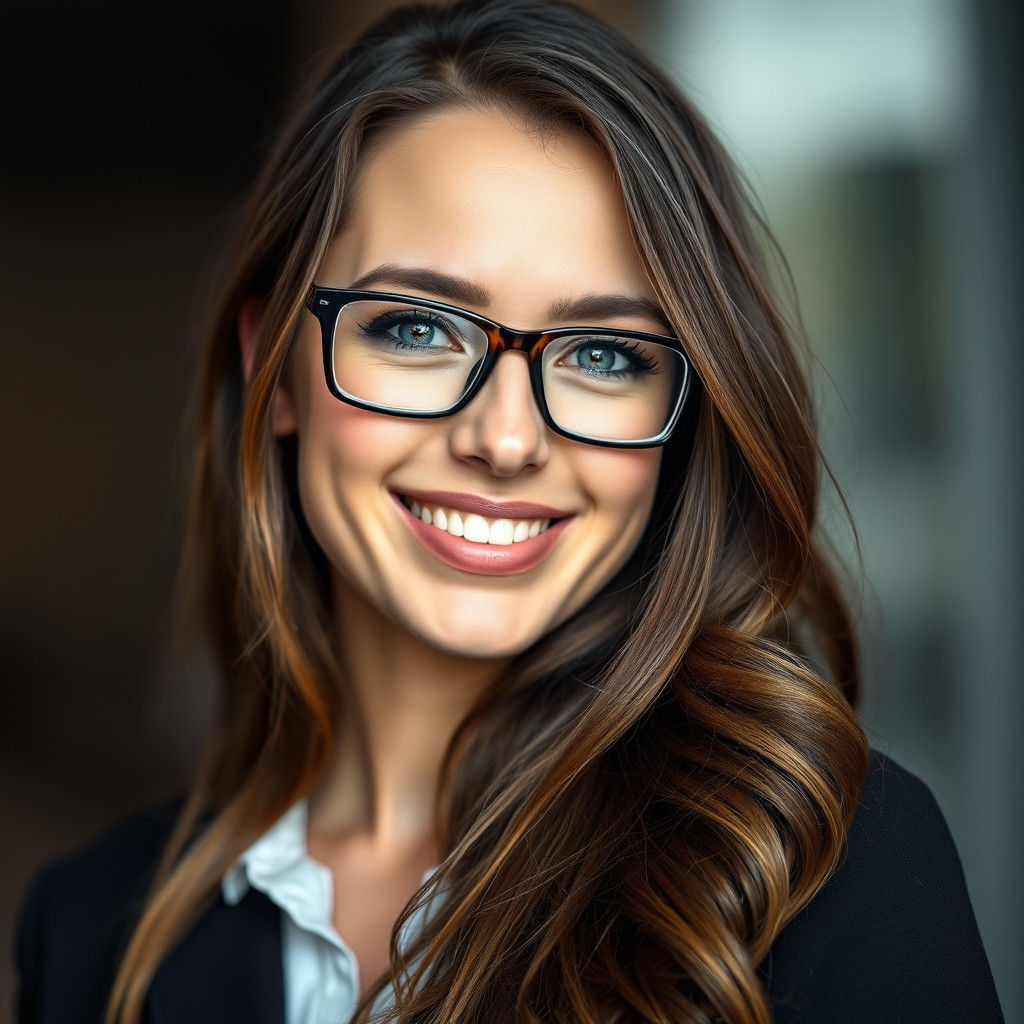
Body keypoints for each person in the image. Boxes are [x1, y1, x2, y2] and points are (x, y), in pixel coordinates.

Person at [12, 1, 1005, 1022]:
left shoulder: (824, 876)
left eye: (603, 355)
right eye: (413, 328)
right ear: (275, 363)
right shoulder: (90, 934)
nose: (506, 438)